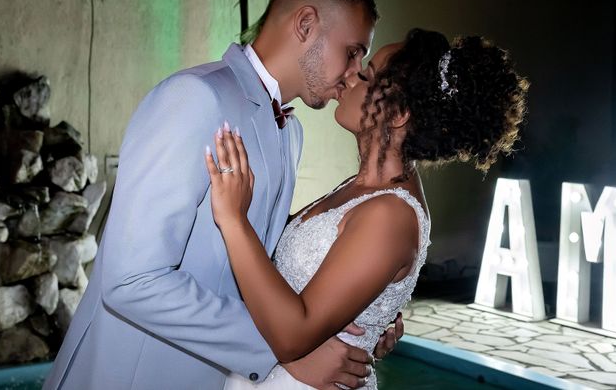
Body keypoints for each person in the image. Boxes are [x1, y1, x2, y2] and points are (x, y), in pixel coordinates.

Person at [44, 0, 402, 390]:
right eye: (352, 51)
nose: (355, 71)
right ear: (306, 24)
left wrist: (362, 308)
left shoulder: (292, 132)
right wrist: (280, 354)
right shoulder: (194, 98)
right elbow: (131, 280)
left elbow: (259, 262)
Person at [205, 28, 528, 388]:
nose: (350, 77)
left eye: (368, 76)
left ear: (399, 113)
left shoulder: (389, 215)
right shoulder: (362, 188)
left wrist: (234, 220)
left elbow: (292, 335)